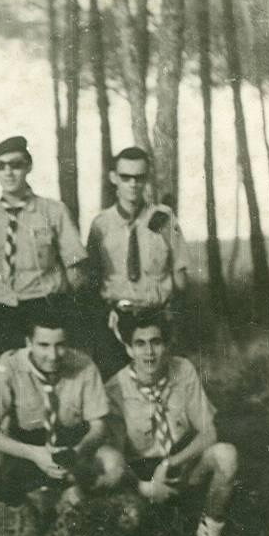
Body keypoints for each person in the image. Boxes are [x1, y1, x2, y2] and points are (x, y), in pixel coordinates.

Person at [0, 300, 125, 532]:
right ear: (28, 343)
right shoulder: (9, 365)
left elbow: (98, 426)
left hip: (72, 449)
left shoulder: (84, 366)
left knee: (114, 465)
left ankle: (71, 499)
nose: (53, 355)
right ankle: (23, 507)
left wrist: (77, 452)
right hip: (27, 449)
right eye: (43, 345)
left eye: (60, 345)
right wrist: (35, 455)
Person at [106, 309, 238, 536]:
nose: (149, 353)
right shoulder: (115, 390)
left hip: (182, 463)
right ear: (128, 349)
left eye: (156, 342)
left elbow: (209, 432)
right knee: (133, 529)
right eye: (140, 344)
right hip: (141, 476)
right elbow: (115, 459)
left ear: (166, 345)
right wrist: (146, 487)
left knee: (226, 455)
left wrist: (169, 464)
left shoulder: (183, 369)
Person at [0, 136, 87, 380]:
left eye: (15, 164)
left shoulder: (53, 211)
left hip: (42, 310)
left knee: (46, 380)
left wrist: (58, 304)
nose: (8, 172)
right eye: (1, 166)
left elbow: (76, 269)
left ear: (28, 166)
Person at [87, 146, 190, 379]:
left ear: (147, 179)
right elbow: (92, 281)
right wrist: (104, 313)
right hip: (115, 321)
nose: (133, 184)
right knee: (114, 392)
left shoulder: (163, 218)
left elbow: (181, 279)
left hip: (155, 320)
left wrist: (174, 317)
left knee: (161, 391)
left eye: (139, 177)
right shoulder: (101, 225)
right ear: (114, 178)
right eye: (126, 177)